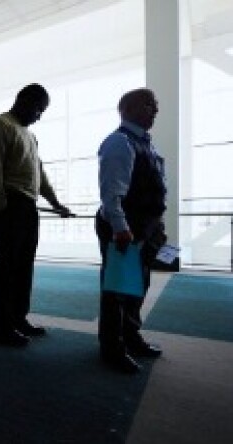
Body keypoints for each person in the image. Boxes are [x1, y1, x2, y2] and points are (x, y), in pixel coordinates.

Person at [0, 83, 71, 347]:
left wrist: (55, 202)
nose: (39, 115)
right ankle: (1, 327)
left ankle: (18, 318)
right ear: (22, 100)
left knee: (24, 266)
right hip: (9, 203)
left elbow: (39, 174)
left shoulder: (30, 136)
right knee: (7, 267)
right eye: (38, 108)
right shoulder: (0, 126)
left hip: (27, 206)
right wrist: (1, 204)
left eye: (43, 110)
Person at [95, 88, 165, 373]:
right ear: (126, 109)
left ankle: (132, 337)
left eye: (155, 105)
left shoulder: (145, 143)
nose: (155, 110)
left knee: (138, 286)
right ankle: (112, 347)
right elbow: (111, 194)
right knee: (118, 291)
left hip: (144, 229)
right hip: (124, 229)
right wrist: (121, 229)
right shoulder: (119, 142)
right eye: (148, 104)